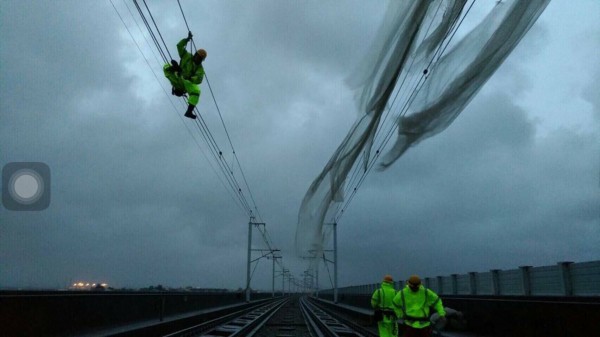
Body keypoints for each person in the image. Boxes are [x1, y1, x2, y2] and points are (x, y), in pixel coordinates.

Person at [163, 31, 206, 119]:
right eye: (197, 57)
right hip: (177, 77)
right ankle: (174, 68)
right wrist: (187, 39)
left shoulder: (199, 68)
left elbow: (199, 78)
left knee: (196, 91)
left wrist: (190, 78)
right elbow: (179, 46)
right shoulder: (187, 55)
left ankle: (189, 111)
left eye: (200, 59)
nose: (198, 60)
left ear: (202, 60)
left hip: (185, 84)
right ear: (195, 54)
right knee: (166, 66)